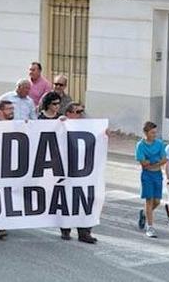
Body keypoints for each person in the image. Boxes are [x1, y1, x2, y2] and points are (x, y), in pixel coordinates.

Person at [57, 102, 97, 244]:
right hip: (66, 169)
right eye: (77, 112)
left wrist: (103, 134)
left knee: (87, 199)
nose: (80, 114)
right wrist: (60, 122)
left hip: (84, 170)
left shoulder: (88, 127)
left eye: (82, 112)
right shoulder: (62, 123)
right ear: (69, 113)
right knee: (67, 198)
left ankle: (84, 232)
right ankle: (65, 228)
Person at [136, 121, 167, 238]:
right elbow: (143, 163)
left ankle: (144, 213)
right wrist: (155, 162)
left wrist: (152, 162)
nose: (155, 134)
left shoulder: (159, 143)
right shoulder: (140, 145)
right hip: (147, 175)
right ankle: (150, 227)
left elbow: (164, 159)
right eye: (152, 132)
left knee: (157, 201)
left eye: (155, 132)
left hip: (158, 175)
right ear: (146, 132)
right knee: (149, 200)